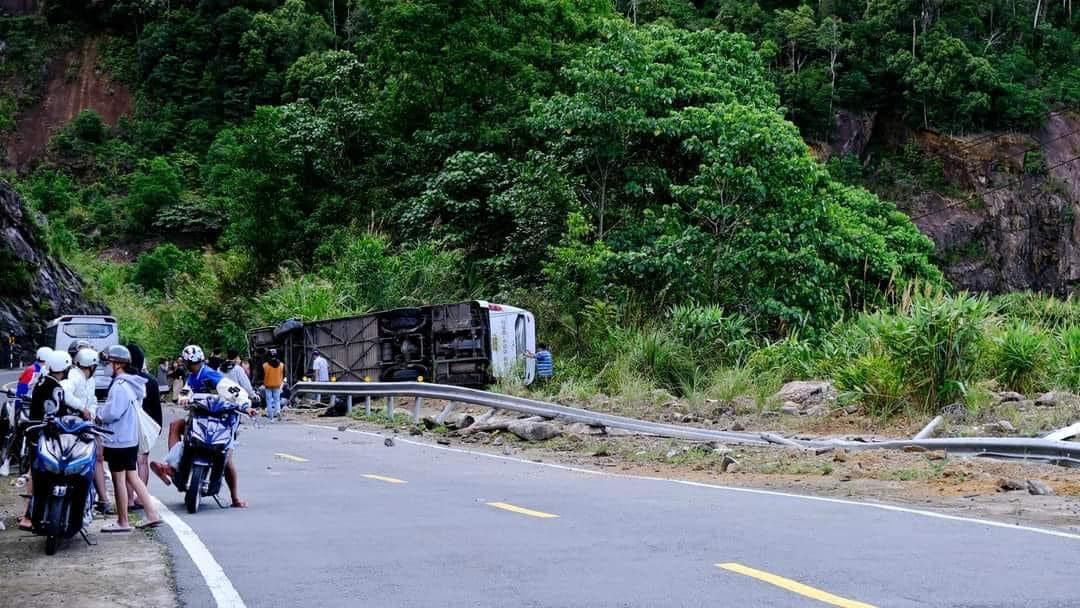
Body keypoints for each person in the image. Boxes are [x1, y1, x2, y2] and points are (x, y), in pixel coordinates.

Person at [150, 344, 254, 508]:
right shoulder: (192, 376)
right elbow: (186, 390)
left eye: (193, 363)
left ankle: (235, 497)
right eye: (190, 364)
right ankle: (172, 466)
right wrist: (184, 398)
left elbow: (236, 392)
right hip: (200, 419)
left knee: (227, 457)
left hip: (223, 421)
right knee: (176, 425)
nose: (192, 366)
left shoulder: (211, 375)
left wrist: (245, 406)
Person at [97, 345, 161, 532]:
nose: (107, 366)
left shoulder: (119, 386)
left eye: (109, 362)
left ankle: (123, 521)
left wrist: (98, 413)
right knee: (133, 477)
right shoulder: (134, 384)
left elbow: (112, 413)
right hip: (130, 440)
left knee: (119, 481)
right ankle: (152, 514)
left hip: (118, 440)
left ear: (117, 364)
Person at [17, 349, 74, 530]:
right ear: (64, 369)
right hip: (46, 436)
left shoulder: (41, 380)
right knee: (42, 475)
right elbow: (59, 412)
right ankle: (30, 515)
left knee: (35, 472)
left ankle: (32, 515)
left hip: (34, 432)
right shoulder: (56, 387)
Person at [61, 347, 112, 517]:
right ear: (90, 366)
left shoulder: (88, 380)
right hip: (71, 426)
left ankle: (100, 498)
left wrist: (91, 412)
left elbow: (92, 400)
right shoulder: (75, 376)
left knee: (97, 456)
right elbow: (65, 393)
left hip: (84, 425)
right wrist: (82, 408)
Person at [127, 345, 162, 510]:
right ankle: (141, 497)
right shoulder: (151, 381)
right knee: (142, 461)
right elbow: (157, 409)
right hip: (147, 426)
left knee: (128, 463)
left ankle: (128, 499)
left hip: (129, 425)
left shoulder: (124, 380)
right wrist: (157, 428)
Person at [262, 349, 285, 422]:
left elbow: (262, 375)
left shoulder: (265, 365)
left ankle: (271, 417)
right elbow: (284, 374)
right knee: (277, 400)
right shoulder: (281, 365)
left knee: (268, 401)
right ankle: (278, 411)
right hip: (277, 385)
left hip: (268, 385)